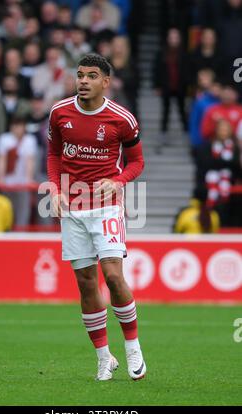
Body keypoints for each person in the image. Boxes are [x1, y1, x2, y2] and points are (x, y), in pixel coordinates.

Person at [47, 54, 146, 381]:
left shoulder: (122, 119)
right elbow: (54, 154)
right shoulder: (60, 113)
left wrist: (117, 181)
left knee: (113, 276)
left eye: (91, 76)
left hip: (106, 206)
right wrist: (55, 189)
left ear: (106, 81)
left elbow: (136, 163)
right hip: (72, 208)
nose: (84, 81)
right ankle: (104, 358)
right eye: (80, 75)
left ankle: (133, 347)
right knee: (87, 283)